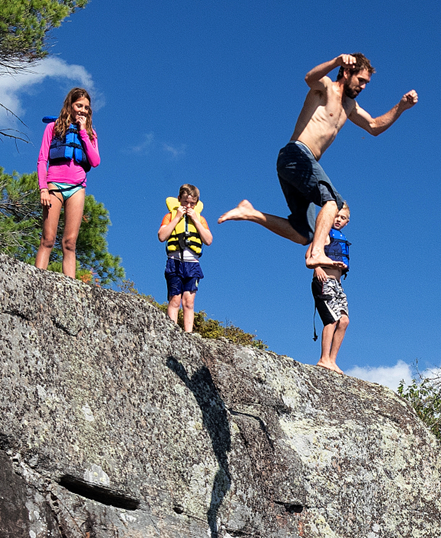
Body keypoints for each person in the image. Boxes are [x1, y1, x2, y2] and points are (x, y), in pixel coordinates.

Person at [218, 53, 416, 271]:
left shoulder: (350, 106)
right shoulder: (325, 88)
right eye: (361, 81)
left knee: (304, 233)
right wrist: (335, 62)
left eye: (366, 83)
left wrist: (401, 106)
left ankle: (250, 213)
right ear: (347, 72)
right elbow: (309, 78)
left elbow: (374, 126)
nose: (363, 87)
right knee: (333, 202)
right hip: (297, 154)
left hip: (299, 165)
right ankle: (316, 253)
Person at [35, 87, 101, 279]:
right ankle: (37, 281)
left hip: (77, 187)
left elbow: (95, 161)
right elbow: (41, 160)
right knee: (48, 239)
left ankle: (70, 290)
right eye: (79, 105)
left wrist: (82, 132)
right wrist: (43, 189)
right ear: (70, 105)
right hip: (54, 185)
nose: (82, 110)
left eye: (86, 108)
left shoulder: (90, 134)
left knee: (70, 243)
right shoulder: (53, 128)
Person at [158, 184, 212, 332]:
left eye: (192, 204)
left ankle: (188, 334)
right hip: (174, 262)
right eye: (185, 202)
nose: (188, 206)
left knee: (189, 301)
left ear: (196, 203)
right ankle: (172, 332)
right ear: (179, 200)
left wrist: (195, 219)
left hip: (192, 264)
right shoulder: (170, 216)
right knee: (174, 299)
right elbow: (162, 236)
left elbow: (208, 240)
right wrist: (177, 217)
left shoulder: (200, 219)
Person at [310, 205, 352, 370]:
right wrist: (317, 268)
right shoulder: (324, 235)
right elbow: (310, 254)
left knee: (344, 321)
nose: (338, 220)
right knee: (331, 319)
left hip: (337, 284)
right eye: (336, 216)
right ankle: (324, 358)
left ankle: (332, 360)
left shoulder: (340, 237)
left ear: (346, 222)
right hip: (324, 280)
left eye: (342, 218)